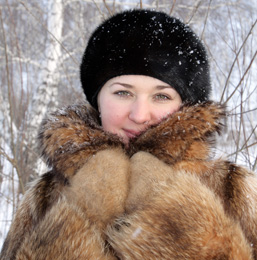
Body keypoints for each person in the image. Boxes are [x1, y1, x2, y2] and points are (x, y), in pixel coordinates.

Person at [1, 9, 257, 260]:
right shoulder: (44, 196)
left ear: (185, 106)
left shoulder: (235, 190)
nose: (140, 115)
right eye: (123, 93)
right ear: (97, 99)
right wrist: (83, 212)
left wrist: (176, 216)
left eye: (161, 96)